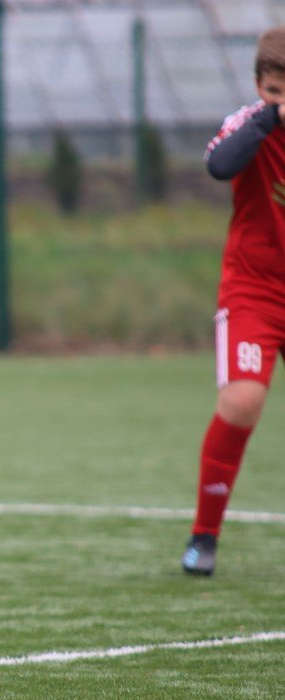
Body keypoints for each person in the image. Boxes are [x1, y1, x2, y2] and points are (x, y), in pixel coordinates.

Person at [182, 26, 285, 576]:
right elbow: (220, 165)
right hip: (255, 289)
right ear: (258, 86)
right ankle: (204, 535)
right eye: (274, 91)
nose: (282, 101)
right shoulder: (249, 125)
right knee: (242, 401)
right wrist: (270, 118)